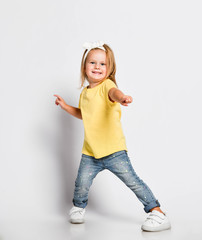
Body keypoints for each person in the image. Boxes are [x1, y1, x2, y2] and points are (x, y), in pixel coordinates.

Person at [54, 41, 171, 232]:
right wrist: (65, 106)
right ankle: (78, 208)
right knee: (81, 183)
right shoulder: (85, 93)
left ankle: (158, 213)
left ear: (109, 69)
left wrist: (122, 97)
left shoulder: (107, 85)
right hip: (91, 152)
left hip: (114, 151)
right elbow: (85, 114)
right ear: (84, 67)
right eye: (92, 63)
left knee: (133, 181)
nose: (97, 67)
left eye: (102, 64)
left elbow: (114, 93)